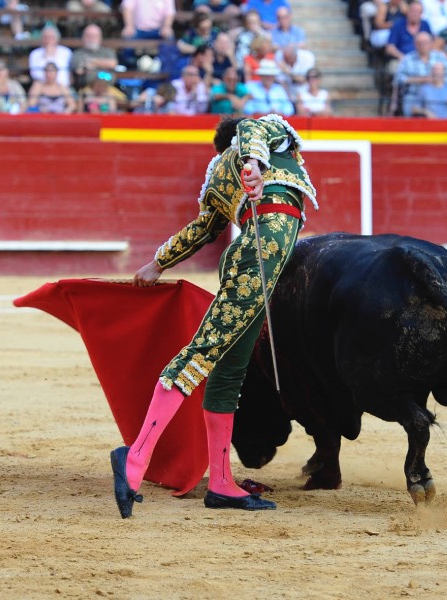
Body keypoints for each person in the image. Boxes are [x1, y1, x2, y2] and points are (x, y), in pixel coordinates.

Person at [111, 115, 318, 517]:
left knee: (228, 373)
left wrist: (159, 263)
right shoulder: (260, 136)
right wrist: (255, 163)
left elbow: (205, 227)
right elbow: (252, 129)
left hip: (257, 262)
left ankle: (222, 483)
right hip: (259, 255)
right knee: (201, 354)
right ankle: (134, 458)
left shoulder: (226, 170)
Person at [393, 31, 447, 116]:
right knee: (410, 107)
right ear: (414, 44)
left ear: (431, 43)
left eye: (425, 42)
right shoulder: (407, 59)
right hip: (413, 95)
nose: (423, 45)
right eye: (419, 43)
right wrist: (420, 79)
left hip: (437, 95)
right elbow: (398, 79)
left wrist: (437, 81)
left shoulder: (440, 57)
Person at [71, 24, 119, 89]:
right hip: (87, 90)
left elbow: (112, 64)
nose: (92, 39)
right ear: (83, 38)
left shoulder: (108, 52)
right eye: (89, 36)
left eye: (95, 36)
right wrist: (104, 64)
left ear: (100, 38)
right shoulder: (78, 53)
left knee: (122, 98)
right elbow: (79, 70)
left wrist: (91, 62)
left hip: (108, 89)